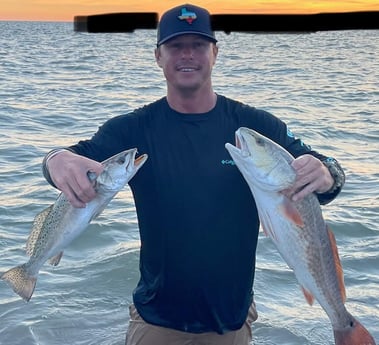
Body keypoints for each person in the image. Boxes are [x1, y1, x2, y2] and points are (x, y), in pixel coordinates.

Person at [42, 4, 345, 345]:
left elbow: (320, 168)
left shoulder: (254, 127)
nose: (188, 55)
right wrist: (55, 160)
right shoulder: (134, 129)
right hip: (155, 320)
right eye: (175, 46)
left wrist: (328, 172)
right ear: (158, 55)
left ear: (215, 52)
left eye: (198, 45)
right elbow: (75, 158)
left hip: (229, 322)